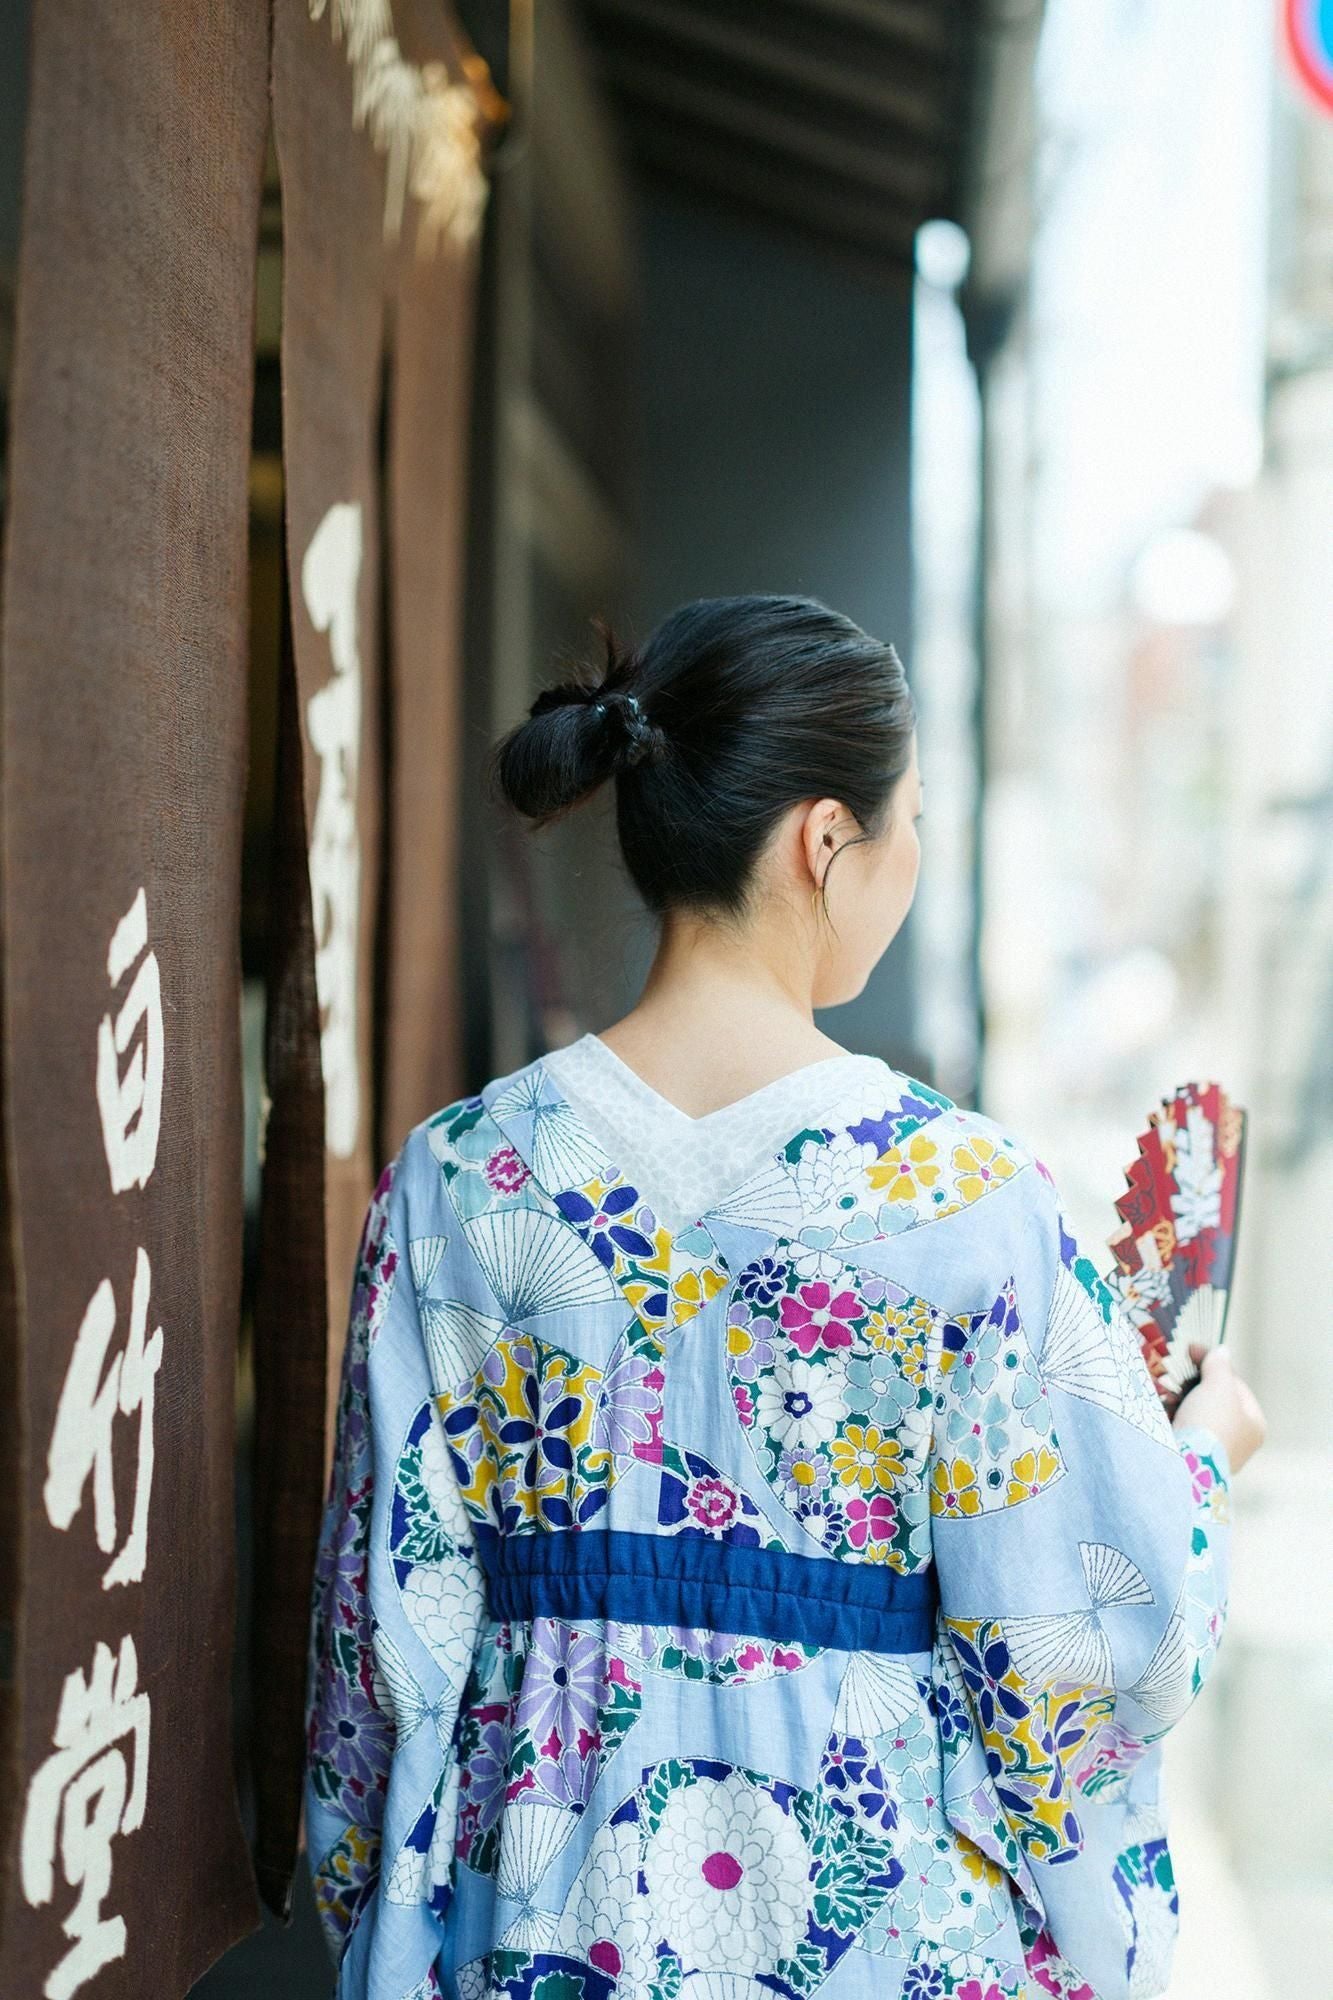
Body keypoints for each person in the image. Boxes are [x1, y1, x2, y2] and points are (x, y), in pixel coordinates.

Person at [304, 594, 1266, 2000]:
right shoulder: (970, 1198)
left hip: (530, 1929)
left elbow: (373, 1650)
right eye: (910, 820)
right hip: (870, 1938)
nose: (912, 857)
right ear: (826, 840)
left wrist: (383, 1914)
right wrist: (1201, 1462)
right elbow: (1087, 1649)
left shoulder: (454, 1180)